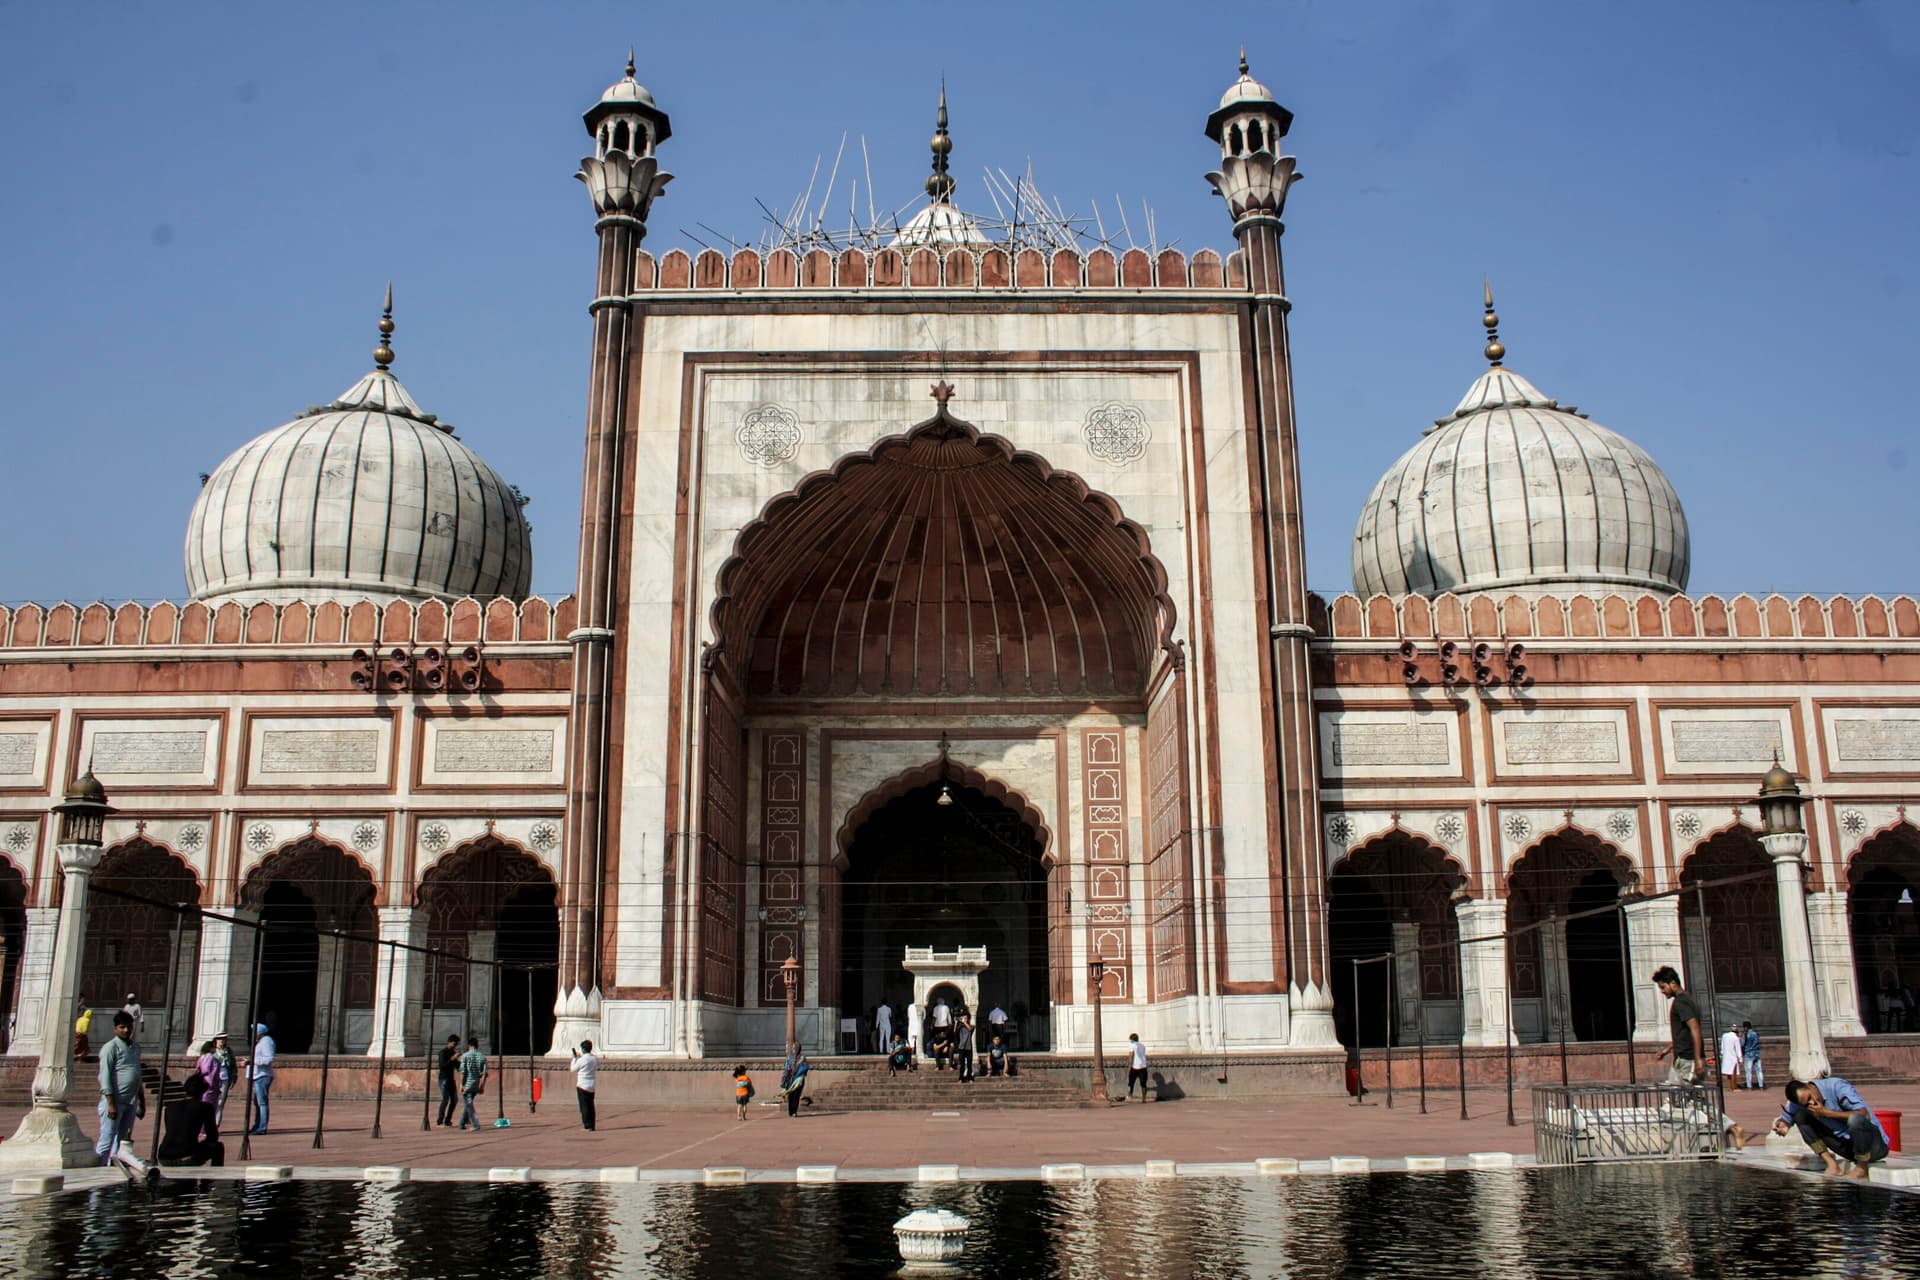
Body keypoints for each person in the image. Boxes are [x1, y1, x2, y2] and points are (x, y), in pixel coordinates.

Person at [1775, 1078, 1891, 1179]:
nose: (1812, 1103)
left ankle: (1862, 1169)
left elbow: (1864, 1115)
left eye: (1810, 1097)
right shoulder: (1802, 1101)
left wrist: (1826, 1113)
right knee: (1801, 1116)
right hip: (1848, 1148)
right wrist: (1783, 1124)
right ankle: (1832, 1165)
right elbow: (1787, 1116)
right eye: (1806, 1104)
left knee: (1855, 1119)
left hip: (1873, 1146)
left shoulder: (1837, 1086)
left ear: (1809, 1086)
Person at [96, 1010, 143, 1166]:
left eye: (129, 1027)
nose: (126, 1030)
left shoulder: (135, 1047)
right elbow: (105, 1077)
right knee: (107, 1139)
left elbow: (137, 1073)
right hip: (114, 1102)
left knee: (123, 1141)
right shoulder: (110, 1047)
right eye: (122, 1027)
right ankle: (99, 1168)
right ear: (115, 1028)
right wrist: (111, 1103)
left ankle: (116, 1169)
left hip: (130, 1102)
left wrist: (141, 1100)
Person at [1650, 967, 1703, 1085]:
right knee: (1678, 1092)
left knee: (1683, 1094)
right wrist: (1667, 1049)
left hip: (1687, 1059)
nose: (1662, 991)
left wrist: (1698, 1058)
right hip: (1683, 1058)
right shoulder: (1685, 999)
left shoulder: (1681, 1002)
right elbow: (1684, 1033)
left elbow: (1694, 1028)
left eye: (1663, 987)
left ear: (1673, 983)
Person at [157, 1072, 224, 1167]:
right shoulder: (205, 1107)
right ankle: (214, 1175)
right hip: (186, 1156)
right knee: (217, 1147)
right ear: (203, 1091)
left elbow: (173, 1132)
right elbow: (212, 1136)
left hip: (164, 1156)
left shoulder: (170, 1107)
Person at [246, 1022, 277, 1134]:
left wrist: (252, 1061)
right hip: (257, 1075)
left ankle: (262, 1127)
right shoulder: (260, 1042)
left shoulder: (267, 1042)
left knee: (262, 1103)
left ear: (259, 1032)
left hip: (262, 1075)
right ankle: (257, 1125)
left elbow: (269, 1059)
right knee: (258, 1102)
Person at [458, 1036, 489, 1130]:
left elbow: (463, 1072)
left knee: (469, 1104)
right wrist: (482, 1086)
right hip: (476, 1084)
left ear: (469, 1045)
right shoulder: (482, 1056)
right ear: (477, 1045)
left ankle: (476, 1124)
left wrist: (461, 1084)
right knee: (468, 1103)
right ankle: (462, 1123)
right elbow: (484, 1073)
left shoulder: (465, 1056)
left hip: (467, 1084)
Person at [571, 1039, 599, 1131]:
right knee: (591, 1106)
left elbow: (573, 1069)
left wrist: (574, 1058)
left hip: (582, 1085)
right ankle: (592, 1125)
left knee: (584, 1107)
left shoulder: (582, 1059)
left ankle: (587, 1125)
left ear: (583, 1049)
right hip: (591, 1085)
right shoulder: (594, 1058)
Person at [211, 1033, 236, 1127]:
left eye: (224, 1039)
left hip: (225, 1077)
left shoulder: (228, 1051)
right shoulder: (212, 1051)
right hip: (213, 1078)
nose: (222, 1041)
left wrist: (234, 1078)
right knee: (211, 1101)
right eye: (220, 1039)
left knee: (221, 1101)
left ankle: (216, 1123)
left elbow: (233, 1065)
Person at [436, 1034, 461, 1127]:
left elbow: (457, 1066)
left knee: (454, 1100)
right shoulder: (443, 1052)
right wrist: (452, 1058)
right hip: (443, 1078)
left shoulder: (453, 1052)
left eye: (456, 1044)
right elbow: (442, 1066)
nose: (455, 1046)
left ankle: (448, 1120)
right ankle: (439, 1120)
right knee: (445, 1099)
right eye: (454, 1044)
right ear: (449, 1042)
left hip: (451, 1079)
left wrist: (458, 1060)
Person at [780, 1043, 810, 1117]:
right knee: (791, 1095)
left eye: (797, 1048)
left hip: (798, 1080)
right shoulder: (790, 1058)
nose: (796, 1049)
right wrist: (784, 1080)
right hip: (791, 1079)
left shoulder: (802, 1058)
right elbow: (787, 1069)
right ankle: (791, 1111)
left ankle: (794, 1111)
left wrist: (800, 1072)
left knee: (796, 1095)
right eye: (795, 1048)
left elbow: (806, 1067)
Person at [1127, 1032, 1151, 1101]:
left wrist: (1129, 1066)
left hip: (1134, 1067)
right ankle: (1144, 1098)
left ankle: (1129, 1097)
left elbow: (1131, 1056)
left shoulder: (1132, 1045)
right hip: (1143, 1066)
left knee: (1131, 1083)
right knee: (1143, 1084)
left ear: (1132, 1039)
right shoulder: (1142, 1045)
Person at [1741, 1022, 1764, 1091]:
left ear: (1745, 1027)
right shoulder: (1755, 1033)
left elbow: (1742, 1044)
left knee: (1748, 1071)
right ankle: (1761, 1086)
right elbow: (1757, 1042)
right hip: (1756, 1054)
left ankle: (1749, 1087)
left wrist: (1741, 1037)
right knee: (1759, 1070)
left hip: (1748, 1054)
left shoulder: (1746, 1034)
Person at [1719, 1024, 1743, 1089]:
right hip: (1733, 1057)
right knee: (1733, 1072)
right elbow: (1738, 1049)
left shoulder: (1724, 1036)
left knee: (1729, 1072)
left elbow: (1722, 1046)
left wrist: (1722, 1054)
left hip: (1726, 1056)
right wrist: (1740, 1059)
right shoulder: (1735, 1038)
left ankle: (1730, 1086)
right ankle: (1734, 1087)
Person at [954, 1015, 975, 1083]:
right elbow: (955, 1031)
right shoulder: (960, 1026)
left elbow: (970, 1029)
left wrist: (965, 1022)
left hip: (969, 1047)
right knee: (962, 1064)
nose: (963, 1019)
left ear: (968, 1019)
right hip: (961, 1047)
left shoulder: (972, 1026)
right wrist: (956, 1023)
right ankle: (961, 1078)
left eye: (965, 1018)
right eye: (963, 1018)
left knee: (969, 1064)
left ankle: (969, 1078)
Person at [73, 996, 93, 1061]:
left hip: (78, 1033)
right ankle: (79, 1056)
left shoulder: (82, 1016)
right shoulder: (87, 1020)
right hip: (81, 1034)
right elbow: (85, 1029)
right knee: (82, 1045)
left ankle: (78, 1055)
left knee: (79, 1045)